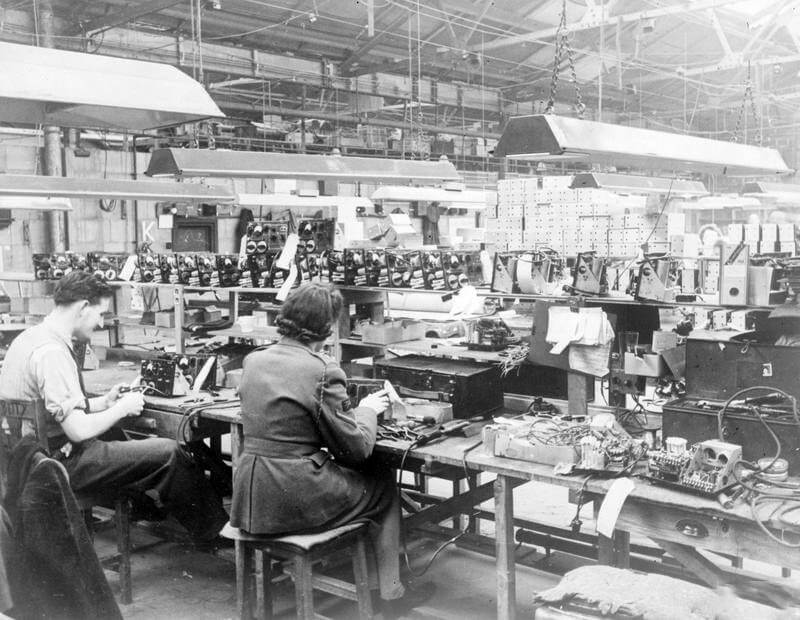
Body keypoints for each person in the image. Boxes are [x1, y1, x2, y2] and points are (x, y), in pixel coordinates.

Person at [230, 282, 433, 617]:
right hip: (294, 496)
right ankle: (392, 594)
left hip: (252, 497)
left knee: (354, 480)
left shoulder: (254, 360)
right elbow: (357, 451)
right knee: (382, 487)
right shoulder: (322, 369)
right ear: (326, 328)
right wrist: (366, 410)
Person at [0, 271, 228, 544]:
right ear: (83, 307)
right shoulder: (53, 352)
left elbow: (51, 407)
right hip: (56, 465)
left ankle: (146, 507)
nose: (100, 323)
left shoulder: (28, 338)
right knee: (169, 452)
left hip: (23, 460)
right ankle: (215, 533)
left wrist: (103, 403)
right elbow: (78, 430)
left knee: (119, 438)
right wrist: (122, 409)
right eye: (100, 314)